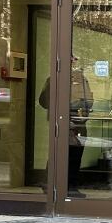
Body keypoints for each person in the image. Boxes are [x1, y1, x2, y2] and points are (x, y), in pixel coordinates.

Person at [39, 56, 93, 192]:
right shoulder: (54, 79)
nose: (73, 64)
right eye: (71, 61)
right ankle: (50, 184)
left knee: (76, 154)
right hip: (61, 122)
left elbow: (89, 100)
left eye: (74, 61)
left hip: (78, 121)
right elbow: (43, 102)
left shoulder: (81, 80)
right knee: (59, 152)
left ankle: (71, 187)